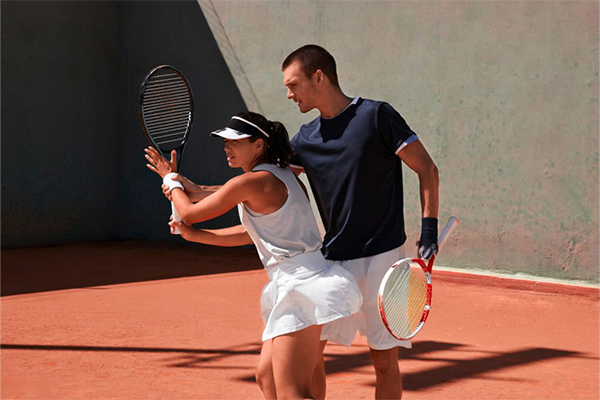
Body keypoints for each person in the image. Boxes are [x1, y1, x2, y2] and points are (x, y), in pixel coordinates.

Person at [144, 111, 362, 400]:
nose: (226, 148)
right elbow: (253, 232)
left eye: (234, 141)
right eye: (224, 142)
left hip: (303, 284)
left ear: (258, 145)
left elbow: (190, 212)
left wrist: (170, 181)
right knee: (268, 377)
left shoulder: (251, 182)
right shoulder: (283, 175)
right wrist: (196, 232)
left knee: (291, 392)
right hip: (304, 278)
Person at [280, 44, 440, 400]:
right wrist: (196, 191)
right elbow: (265, 184)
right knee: (310, 359)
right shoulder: (305, 139)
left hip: (383, 261)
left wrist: (429, 229)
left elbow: (427, 168)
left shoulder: (377, 116)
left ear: (318, 76)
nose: (290, 95)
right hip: (332, 263)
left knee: (384, 364)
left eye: (294, 85)